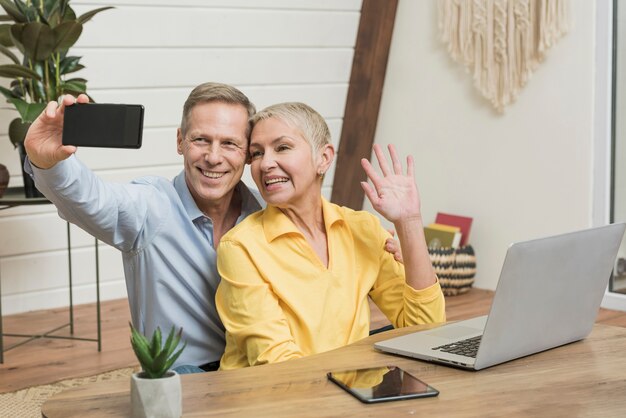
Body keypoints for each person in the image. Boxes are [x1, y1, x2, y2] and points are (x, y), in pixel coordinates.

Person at [23, 82, 263, 371]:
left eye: (229, 143)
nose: (213, 157)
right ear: (180, 141)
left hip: (259, 365)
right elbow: (92, 198)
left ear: (248, 152)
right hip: (183, 377)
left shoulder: (266, 212)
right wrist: (47, 161)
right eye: (201, 140)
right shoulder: (150, 206)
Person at [215, 102, 446, 369]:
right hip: (273, 400)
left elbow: (424, 333)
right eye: (256, 153)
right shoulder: (241, 246)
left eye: (282, 147)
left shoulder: (362, 229)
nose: (265, 163)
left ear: (323, 158)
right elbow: (276, 366)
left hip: (344, 388)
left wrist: (410, 223)